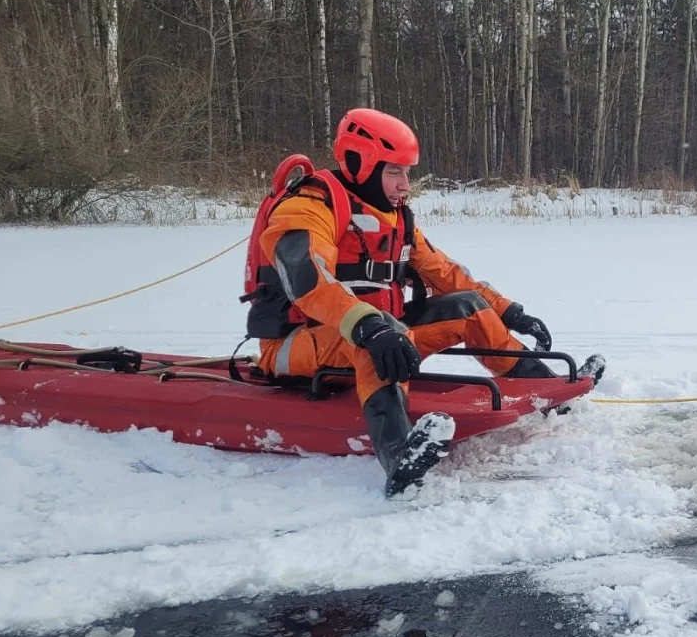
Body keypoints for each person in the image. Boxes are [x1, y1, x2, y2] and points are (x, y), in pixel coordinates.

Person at [243, 107, 604, 497]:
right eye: (395, 172)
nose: (405, 185)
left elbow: (445, 272)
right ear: (360, 163)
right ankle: (399, 457)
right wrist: (368, 325)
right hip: (293, 345)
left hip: (380, 331)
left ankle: (545, 390)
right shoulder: (309, 207)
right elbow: (308, 279)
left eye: (407, 172)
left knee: (468, 307)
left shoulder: (396, 218)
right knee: (381, 335)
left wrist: (509, 311)